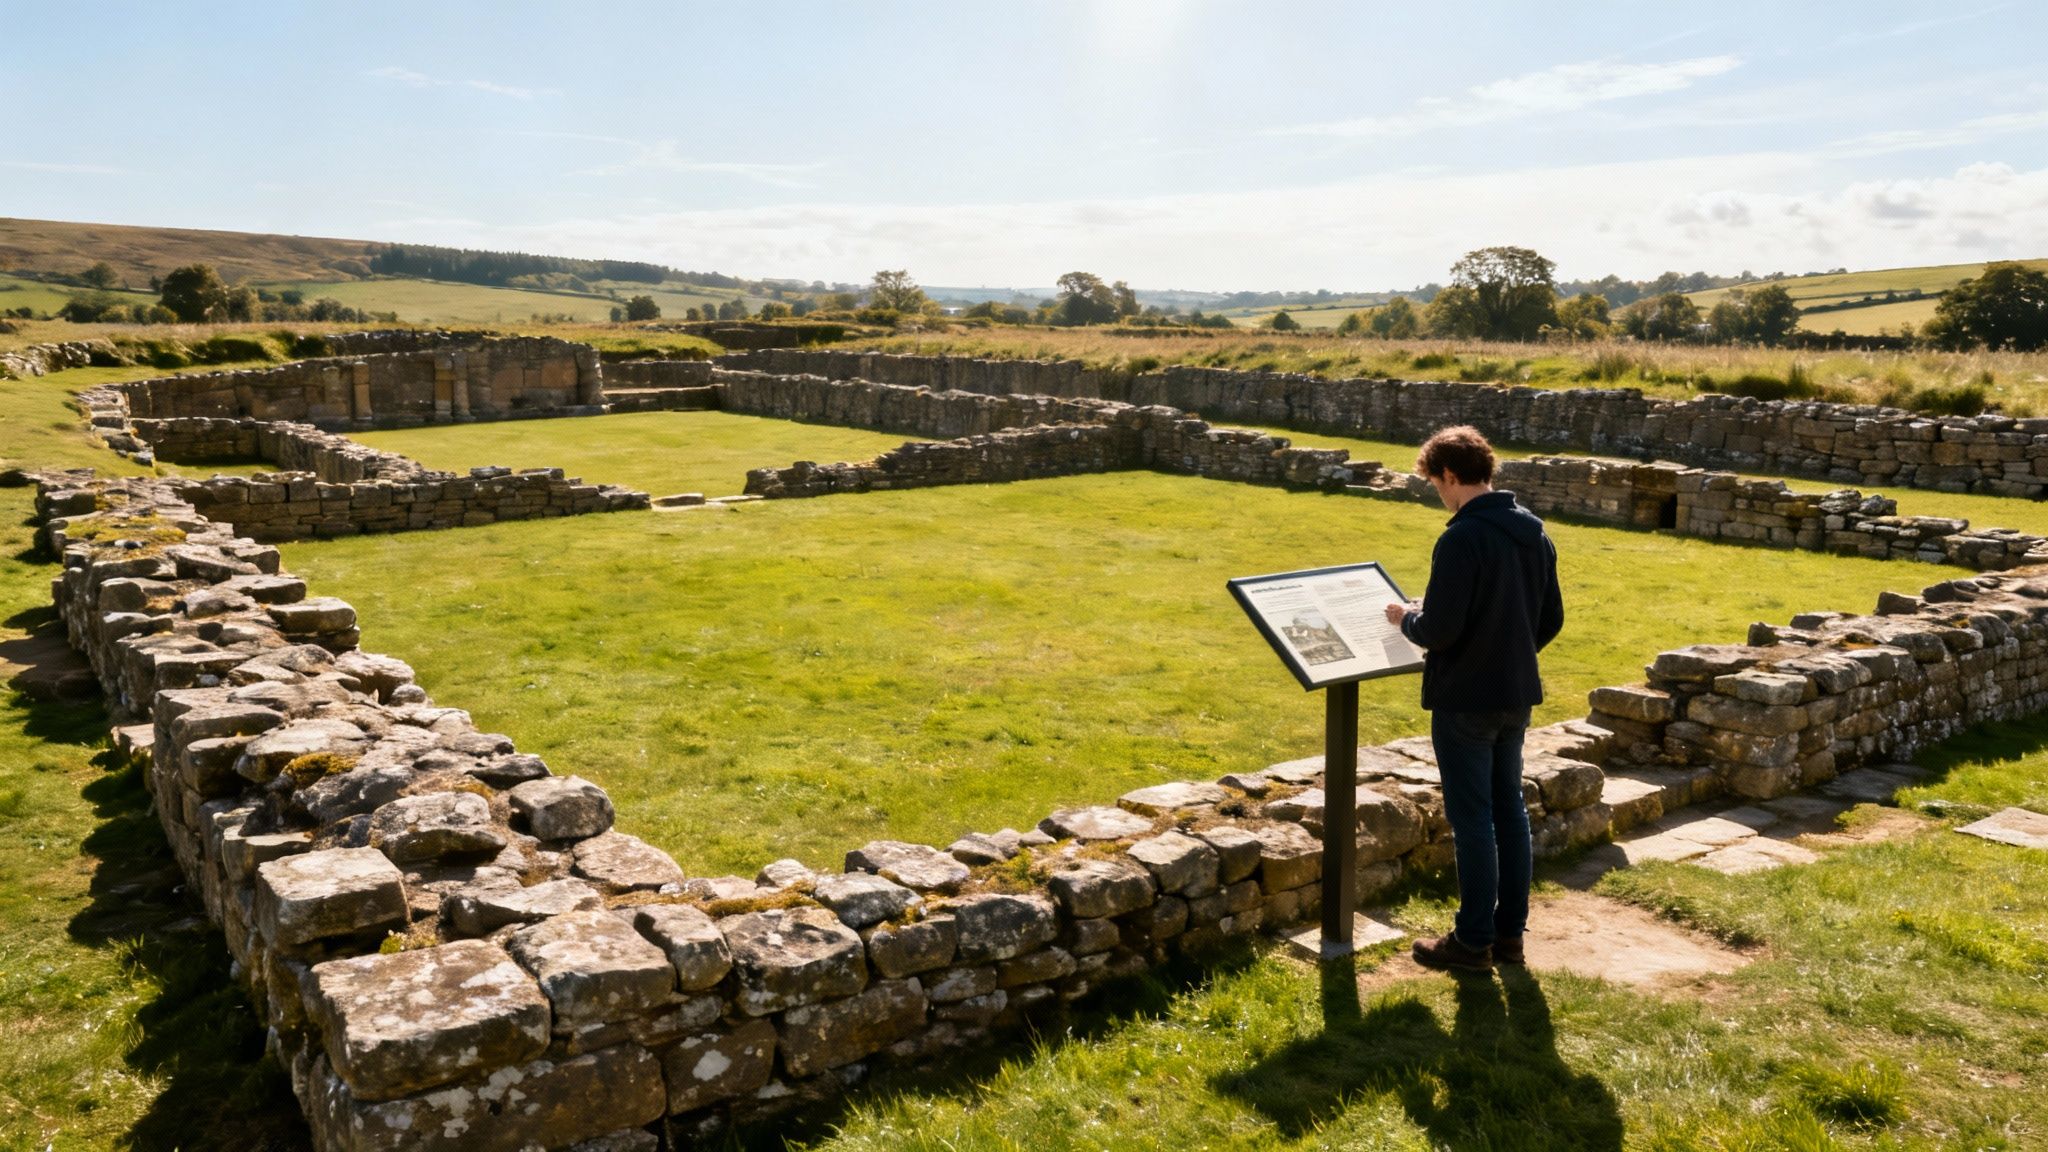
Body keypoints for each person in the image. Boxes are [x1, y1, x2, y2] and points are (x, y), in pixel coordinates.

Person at [1382, 425, 1563, 972]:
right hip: (1516, 692)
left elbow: (1439, 630)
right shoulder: (1533, 533)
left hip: (1466, 699)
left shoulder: (1460, 537)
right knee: (1510, 810)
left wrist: (1406, 617)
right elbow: (1549, 618)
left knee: (1474, 819)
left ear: (1452, 476)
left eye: (1436, 482)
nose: (1437, 491)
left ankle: (1472, 940)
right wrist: (1507, 649)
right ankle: (1509, 937)